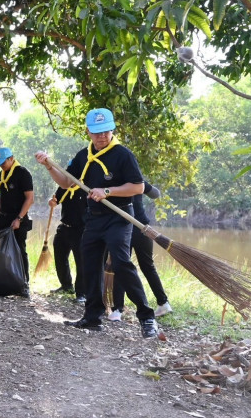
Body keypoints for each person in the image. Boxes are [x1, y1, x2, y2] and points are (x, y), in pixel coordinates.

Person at [35, 108, 159, 338]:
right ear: (88, 132)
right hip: (93, 218)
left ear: (112, 129)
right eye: (96, 132)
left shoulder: (123, 155)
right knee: (90, 264)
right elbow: (67, 183)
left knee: (121, 262)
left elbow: (138, 187)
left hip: (119, 217)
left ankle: (146, 317)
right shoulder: (83, 156)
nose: (102, 136)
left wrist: (107, 191)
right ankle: (92, 317)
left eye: (106, 131)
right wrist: (49, 166)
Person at [109, 182, 172, 320]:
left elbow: (155, 194)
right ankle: (163, 303)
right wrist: (142, 185)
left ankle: (117, 310)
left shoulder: (115, 182)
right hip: (142, 228)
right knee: (147, 266)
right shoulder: (135, 180)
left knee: (121, 266)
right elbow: (155, 193)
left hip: (126, 228)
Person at [0, 147, 34, 294]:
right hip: (3, 218)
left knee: (19, 251)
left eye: (3, 162)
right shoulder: (2, 174)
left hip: (18, 219)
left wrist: (19, 218)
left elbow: (30, 198)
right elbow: (2, 196)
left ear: (11, 158)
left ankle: (24, 284)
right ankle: (0, 283)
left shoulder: (23, 173)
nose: (1, 166)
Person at [49, 186, 87, 304]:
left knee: (81, 261)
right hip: (64, 226)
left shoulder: (86, 187)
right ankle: (66, 286)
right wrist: (52, 202)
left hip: (81, 229)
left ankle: (81, 293)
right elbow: (55, 201)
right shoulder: (64, 186)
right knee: (59, 256)